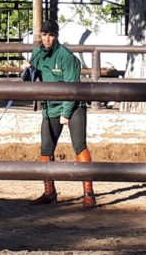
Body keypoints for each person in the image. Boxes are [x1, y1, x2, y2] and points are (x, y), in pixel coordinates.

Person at [23, 19, 96, 208]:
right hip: (50, 107)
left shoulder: (67, 57)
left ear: (56, 36)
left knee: (79, 146)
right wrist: (26, 71)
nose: (47, 39)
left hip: (73, 106)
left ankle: (89, 193)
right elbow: (30, 80)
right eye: (44, 35)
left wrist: (65, 113)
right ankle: (49, 192)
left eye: (51, 35)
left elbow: (73, 88)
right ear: (40, 36)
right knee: (46, 149)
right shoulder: (37, 53)